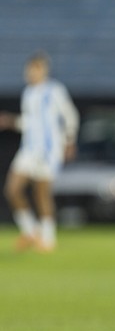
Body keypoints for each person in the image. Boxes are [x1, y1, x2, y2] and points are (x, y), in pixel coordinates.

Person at [0, 51, 79, 252]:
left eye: (36, 69)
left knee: (41, 193)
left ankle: (48, 238)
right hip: (29, 148)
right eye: (29, 69)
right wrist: (11, 121)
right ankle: (30, 231)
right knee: (12, 189)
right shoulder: (28, 93)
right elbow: (31, 123)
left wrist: (69, 140)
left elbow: (70, 115)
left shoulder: (54, 90)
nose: (31, 73)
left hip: (49, 149)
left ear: (43, 70)